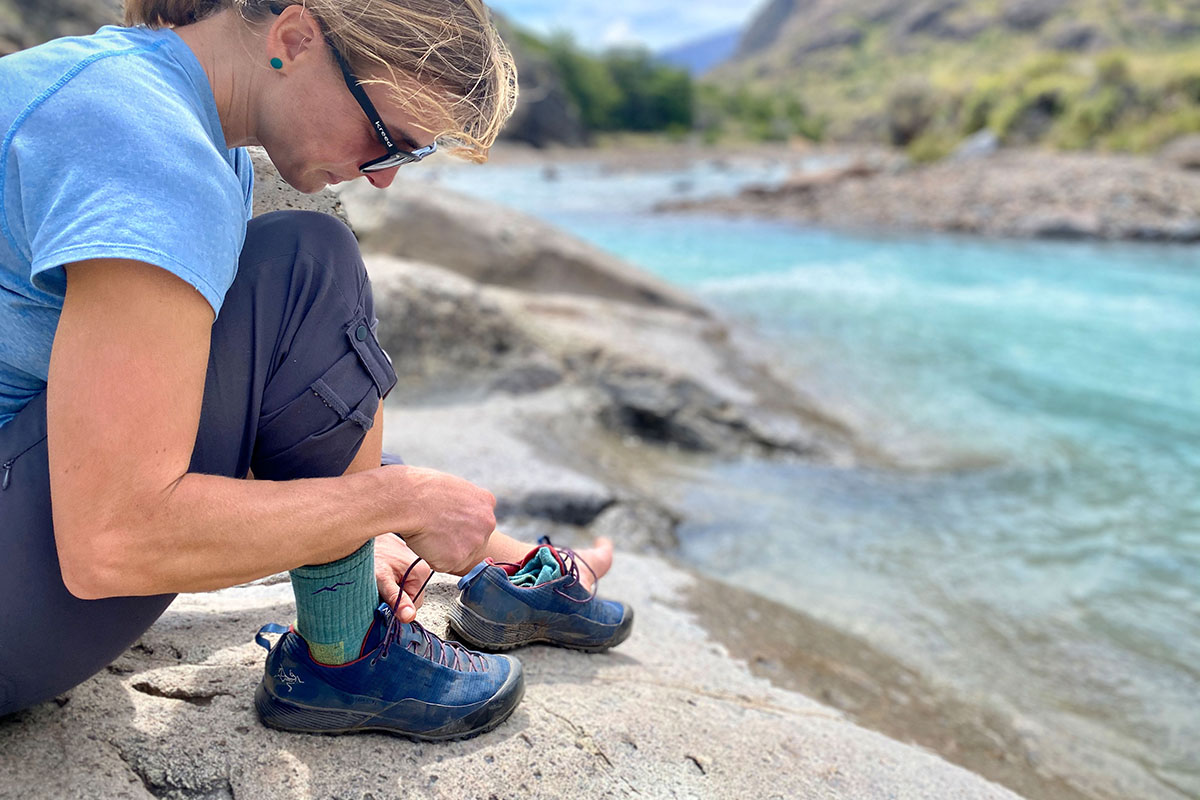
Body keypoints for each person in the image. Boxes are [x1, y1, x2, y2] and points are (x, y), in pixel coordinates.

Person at [0, 0, 628, 741]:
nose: (384, 177)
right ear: (294, 40)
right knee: (307, 264)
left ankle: (425, 601)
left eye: (407, 156)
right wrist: (389, 504)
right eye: (387, 138)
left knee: (289, 271)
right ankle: (345, 656)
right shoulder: (151, 154)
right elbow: (114, 539)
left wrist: (493, 551)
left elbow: (175, 410)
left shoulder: (113, 88)